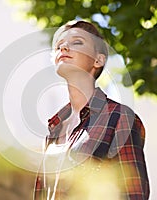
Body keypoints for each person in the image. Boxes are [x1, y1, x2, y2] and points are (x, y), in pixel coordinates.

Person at [34, 20, 150, 200]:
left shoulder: (119, 118)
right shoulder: (54, 131)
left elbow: (133, 194)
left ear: (98, 60)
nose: (63, 48)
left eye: (77, 42)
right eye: (59, 45)